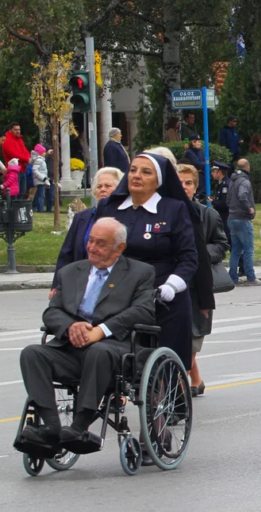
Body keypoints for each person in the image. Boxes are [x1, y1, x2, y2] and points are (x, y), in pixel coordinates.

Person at [18, 218, 156, 446]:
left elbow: (143, 311)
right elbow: (52, 312)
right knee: (32, 353)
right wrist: (71, 326)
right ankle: (51, 425)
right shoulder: (70, 272)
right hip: (71, 347)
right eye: (90, 241)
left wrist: (101, 331)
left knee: (98, 351)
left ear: (119, 248)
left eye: (101, 244)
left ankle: (79, 427)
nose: (92, 247)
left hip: (116, 349)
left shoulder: (140, 272)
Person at [94, 152, 213, 371]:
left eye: (145, 172)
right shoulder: (109, 208)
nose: (136, 176)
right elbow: (95, 250)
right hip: (118, 292)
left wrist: (172, 285)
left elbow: (189, 257)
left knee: (166, 366)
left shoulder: (174, 209)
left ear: (159, 180)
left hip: (163, 294)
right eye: (133, 170)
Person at [178, 164, 228, 397]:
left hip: (197, 287)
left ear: (195, 187)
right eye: (179, 182)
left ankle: (178, 387)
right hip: (170, 285)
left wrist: (198, 253)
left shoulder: (208, 214)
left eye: (188, 183)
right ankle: (194, 380)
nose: (184, 187)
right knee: (177, 338)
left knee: (192, 339)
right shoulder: (162, 213)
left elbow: (221, 245)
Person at [52, 168, 124, 297]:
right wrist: (56, 286)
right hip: (81, 283)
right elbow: (66, 253)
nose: (102, 189)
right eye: (99, 186)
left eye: (108, 186)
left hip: (116, 285)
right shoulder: (82, 217)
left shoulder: (126, 216)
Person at [227, 158, 261, 286]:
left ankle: (233, 277)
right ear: (248, 167)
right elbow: (243, 196)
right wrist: (249, 208)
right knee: (248, 249)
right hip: (242, 218)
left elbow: (228, 199)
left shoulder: (232, 181)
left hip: (231, 217)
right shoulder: (244, 181)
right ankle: (251, 277)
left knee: (236, 250)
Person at [3, 123, 31, 198]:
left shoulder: (20, 140)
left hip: (22, 169)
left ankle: (18, 209)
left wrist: (27, 159)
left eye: (19, 129)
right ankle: (13, 209)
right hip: (13, 171)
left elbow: (26, 152)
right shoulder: (8, 141)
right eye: (15, 130)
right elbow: (14, 155)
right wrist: (26, 159)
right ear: (10, 130)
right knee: (14, 193)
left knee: (22, 192)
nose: (18, 131)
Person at [210, 161, 233, 241]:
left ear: (219, 172)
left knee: (228, 239)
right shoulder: (222, 183)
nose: (212, 174)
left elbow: (225, 204)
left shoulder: (225, 184)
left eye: (213, 172)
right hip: (223, 216)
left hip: (226, 217)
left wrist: (212, 202)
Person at [30, 144, 51, 213]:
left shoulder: (40, 160)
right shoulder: (39, 160)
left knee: (38, 194)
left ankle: (34, 207)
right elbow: (35, 170)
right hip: (40, 180)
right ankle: (40, 209)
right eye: (44, 152)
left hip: (41, 180)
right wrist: (43, 178)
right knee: (41, 195)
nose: (45, 153)